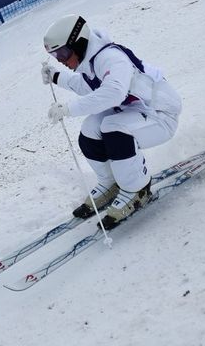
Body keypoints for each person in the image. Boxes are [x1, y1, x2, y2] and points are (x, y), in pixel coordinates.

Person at [39, 13, 182, 229]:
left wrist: (69, 109)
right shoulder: (91, 61)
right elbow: (87, 86)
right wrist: (56, 76)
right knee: (90, 129)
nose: (61, 60)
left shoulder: (111, 58)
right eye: (55, 55)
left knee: (113, 128)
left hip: (160, 116)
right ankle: (111, 183)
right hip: (134, 111)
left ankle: (137, 189)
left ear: (79, 43)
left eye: (63, 53)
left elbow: (113, 93)